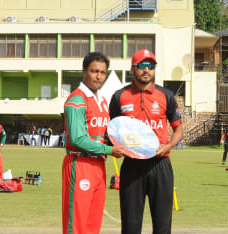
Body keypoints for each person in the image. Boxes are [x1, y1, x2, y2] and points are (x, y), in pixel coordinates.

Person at [109, 49, 183, 234]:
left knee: (162, 225)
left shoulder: (166, 95)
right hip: (132, 166)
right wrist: (114, 147)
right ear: (133, 69)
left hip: (161, 164)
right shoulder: (119, 96)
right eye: (142, 66)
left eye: (151, 66)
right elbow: (111, 130)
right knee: (131, 225)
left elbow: (178, 129)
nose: (146, 70)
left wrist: (168, 145)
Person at [62, 52, 127, 234]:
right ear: (84, 71)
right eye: (94, 71)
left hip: (99, 165)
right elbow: (77, 139)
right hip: (80, 163)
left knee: (93, 222)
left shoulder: (102, 100)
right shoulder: (76, 100)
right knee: (77, 223)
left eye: (102, 72)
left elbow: (104, 133)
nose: (98, 76)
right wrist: (109, 149)